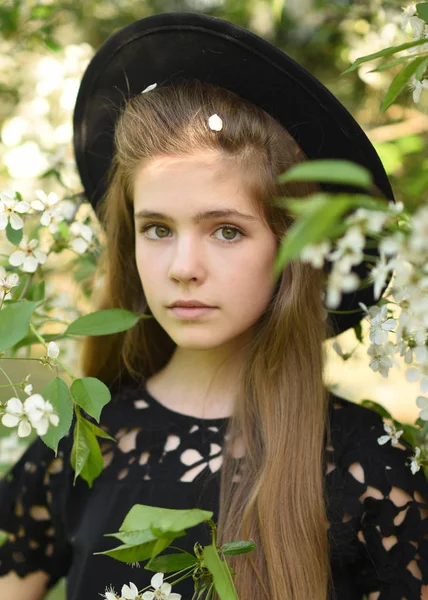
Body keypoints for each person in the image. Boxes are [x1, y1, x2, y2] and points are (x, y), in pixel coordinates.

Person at [0, 11, 427, 600]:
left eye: (226, 230)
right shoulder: (82, 443)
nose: (182, 266)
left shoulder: (366, 466)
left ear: (291, 246)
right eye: (156, 229)